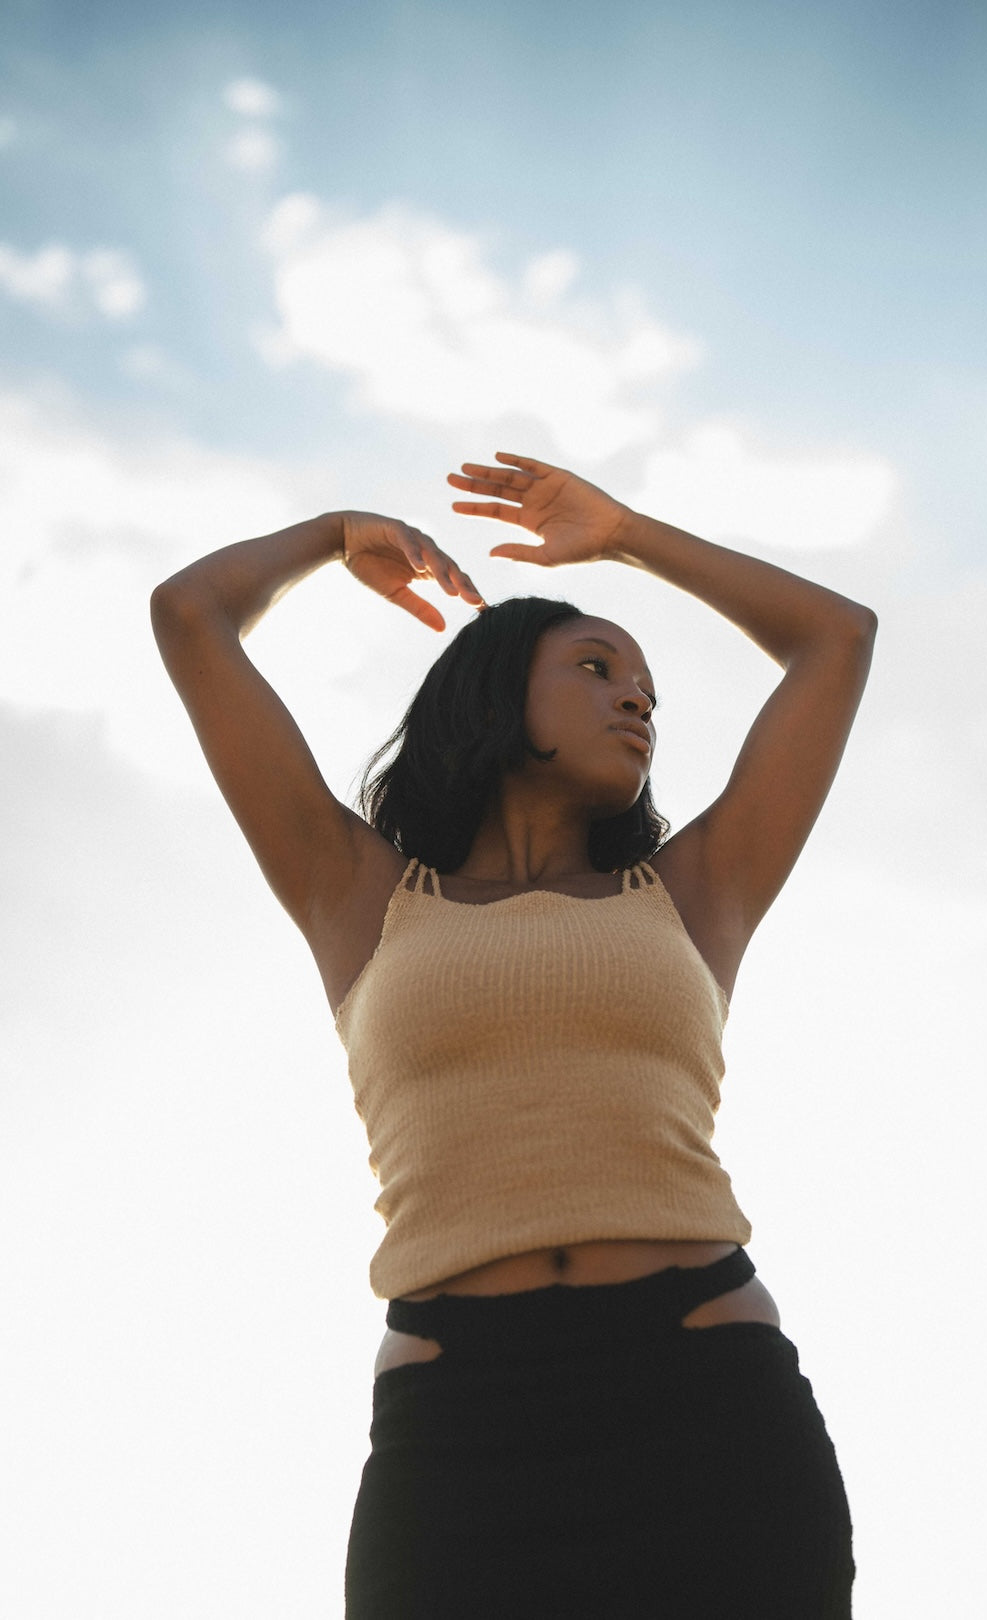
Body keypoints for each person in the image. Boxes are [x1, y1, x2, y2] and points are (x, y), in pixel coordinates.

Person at [150, 450, 876, 1618]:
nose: (636, 699)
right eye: (596, 668)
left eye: (645, 688)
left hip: (707, 1399)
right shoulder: (357, 892)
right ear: (494, 694)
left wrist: (628, 534)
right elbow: (189, 615)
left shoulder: (696, 891)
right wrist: (335, 533)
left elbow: (836, 637)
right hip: (459, 1430)